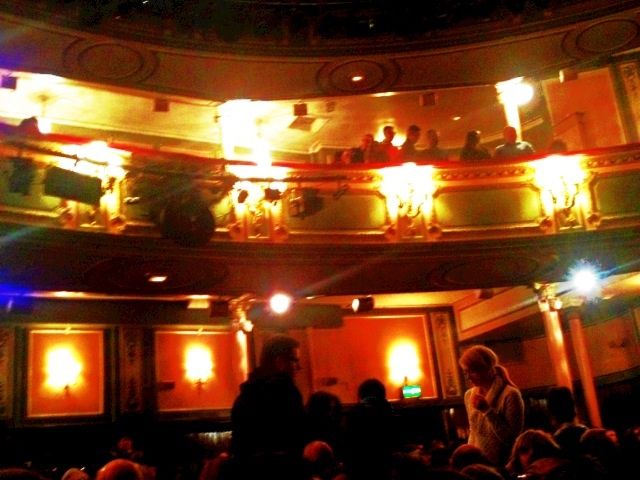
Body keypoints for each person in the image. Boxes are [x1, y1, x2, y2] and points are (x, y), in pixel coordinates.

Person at [229, 334, 306, 477]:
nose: (299, 367)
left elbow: (239, 441)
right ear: (279, 361)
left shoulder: (246, 394)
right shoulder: (287, 392)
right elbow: (297, 436)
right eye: (294, 360)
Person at [459, 345, 524, 465]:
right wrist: (469, 456)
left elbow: (511, 439)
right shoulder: (469, 395)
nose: (468, 377)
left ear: (487, 368)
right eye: (465, 372)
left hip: (503, 464)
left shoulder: (510, 394)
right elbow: (474, 432)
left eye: (472, 371)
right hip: (478, 462)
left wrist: (487, 410)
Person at [344, 378, 397, 480]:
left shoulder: (354, 413)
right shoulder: (388, 411)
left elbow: (348, 443)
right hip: (385, 466)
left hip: (358, 468)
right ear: (383, 395)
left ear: (361, 395)